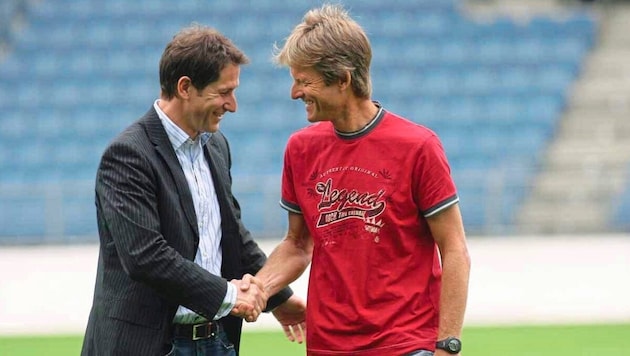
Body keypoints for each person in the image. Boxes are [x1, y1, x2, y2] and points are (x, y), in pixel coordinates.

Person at [252, 4, 471, 356]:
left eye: (304, 81)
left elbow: (455, 248)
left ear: (343, 79)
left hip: (405, 343)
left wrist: (447, 344)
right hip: (327, 345)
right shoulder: (300, 149)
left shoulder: (418, 147)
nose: (295, 93)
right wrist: (260, 287)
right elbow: (297, 244)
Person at [81, 24, 306, 356]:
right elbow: (145, 256)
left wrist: (278, 298)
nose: (233, 105)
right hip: (153, 345)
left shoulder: (216, 146)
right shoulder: (128, 155)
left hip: (217, 341)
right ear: (185, 87)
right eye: (223, 91)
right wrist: (231, 297)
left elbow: (233, 237)